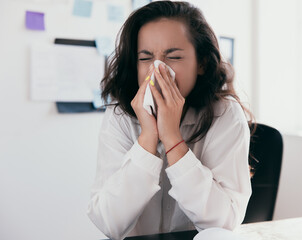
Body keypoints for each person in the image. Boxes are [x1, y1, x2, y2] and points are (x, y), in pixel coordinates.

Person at [87, 1, 254, 240]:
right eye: (145, 58)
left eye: (173, 56)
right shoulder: (119, 115)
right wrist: (148, 138)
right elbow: (108, 222)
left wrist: (173, 139)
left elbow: (223, 223)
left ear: (202, 63)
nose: (158, 70)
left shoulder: (225, 114)